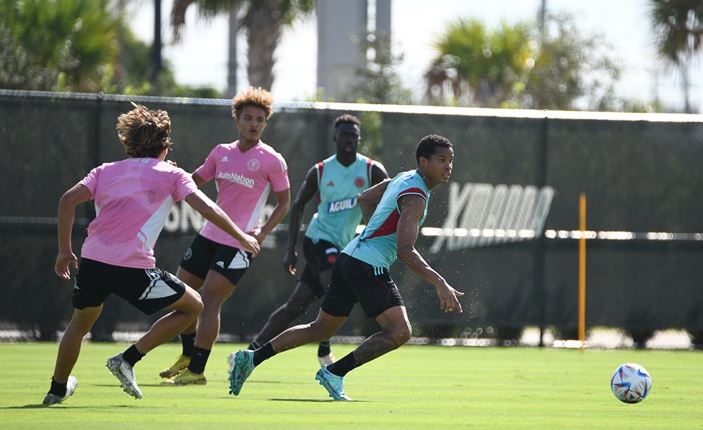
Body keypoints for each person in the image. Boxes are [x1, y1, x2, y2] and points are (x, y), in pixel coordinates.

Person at [42, 104, 260, 406]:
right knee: (194, 307)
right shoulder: (173, 175)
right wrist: (242, 236)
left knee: (79, 325)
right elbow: (208, 208)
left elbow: (67, 201)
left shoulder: (104, 171)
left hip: (92, 262)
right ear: (165, 144)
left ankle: (56, 390)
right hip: (133, 268)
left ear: (128, 143)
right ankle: (128, 359)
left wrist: (64, 251)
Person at [228, 134, 464, 401]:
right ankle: (334, 372)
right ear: (423, 161)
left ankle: (251, 358)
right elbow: (405, 250)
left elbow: (364, 198)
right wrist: (439, 282)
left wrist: (370, 232)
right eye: (441, 160)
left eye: (451, 161)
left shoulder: (404, 177)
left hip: (349, 258)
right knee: (400, 331)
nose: (448, 166)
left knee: (320, 329)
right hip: (366, 265)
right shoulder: (416, 195)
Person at [160, 87, 290, 385]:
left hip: (239, 242)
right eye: (248, 118)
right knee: (182, 295)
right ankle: (187, 354)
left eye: (260, 119)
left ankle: (197, 370)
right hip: (208, 235)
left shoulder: (272, 159)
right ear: (237, 119)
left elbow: (284, 203)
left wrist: (261, 233)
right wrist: (167, 175)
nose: (254, 124)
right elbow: (193, 183)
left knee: (209, 300)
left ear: (266, 123)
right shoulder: (222, 152)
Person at [245, 114, 388, 367]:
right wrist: (290, 249)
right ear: (335, 137)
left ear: (359, 139)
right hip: (318, 239)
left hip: (344, 245)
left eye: (353, 136)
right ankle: (323, 345)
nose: (349, 140)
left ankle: (249, 353)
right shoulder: (321, 171)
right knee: (337, 286)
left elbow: (388, 200)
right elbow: (297, 205)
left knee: (296, 305)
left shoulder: (371, 169)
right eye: (344, 135)